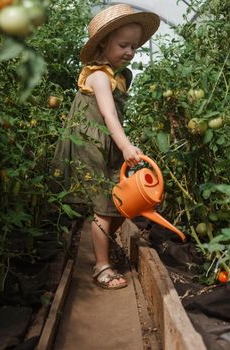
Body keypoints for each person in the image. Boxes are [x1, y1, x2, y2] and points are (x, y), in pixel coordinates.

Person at [51, 4, 160, 289]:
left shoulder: (118, 76)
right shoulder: (98, 76)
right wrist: (125, 145)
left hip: (108, 144)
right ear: (103, 44)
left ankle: (105, 250)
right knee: (104, 204)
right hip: (93, 146)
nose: (130, 52)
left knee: (119, 203)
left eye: (134, 47)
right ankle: (101, 266)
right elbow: (109, 115)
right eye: (123, 45)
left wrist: (122, 144)